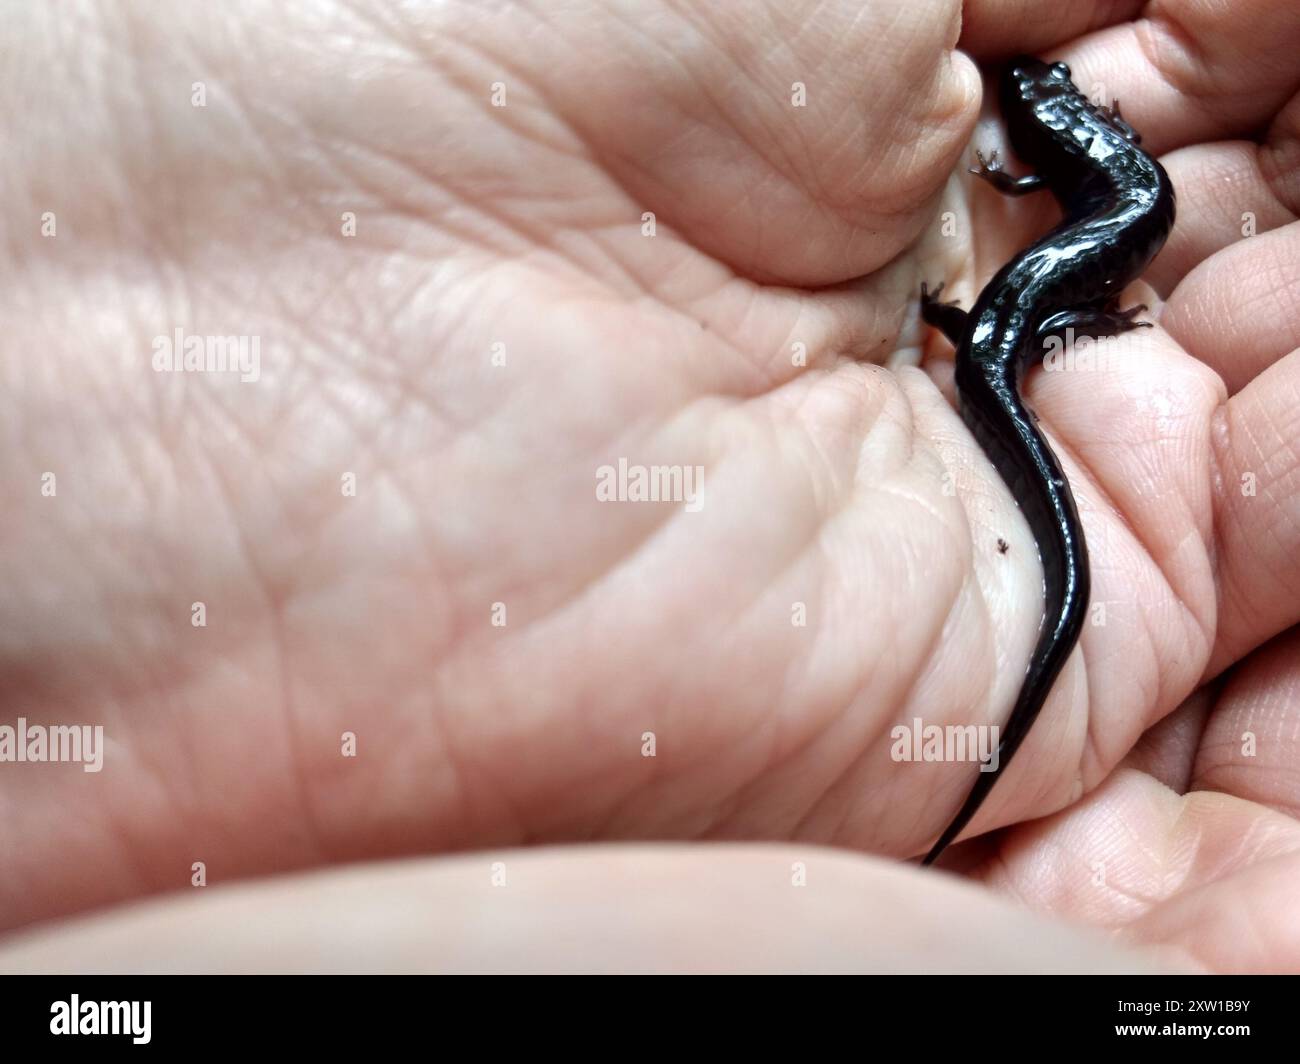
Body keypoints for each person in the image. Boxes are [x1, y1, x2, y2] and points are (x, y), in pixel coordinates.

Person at [0, 0, 1297, 972]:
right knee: (1016, 342)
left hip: (1053, 281)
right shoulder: (1091, 169)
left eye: (1036, 104)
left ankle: (996, 355)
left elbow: (1041, 183)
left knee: (1007, 345)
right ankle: (1003, 354)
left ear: (1052, 135)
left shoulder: (1046, 173)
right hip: (1074, 267)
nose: (1025, 103)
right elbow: (1070, 186)